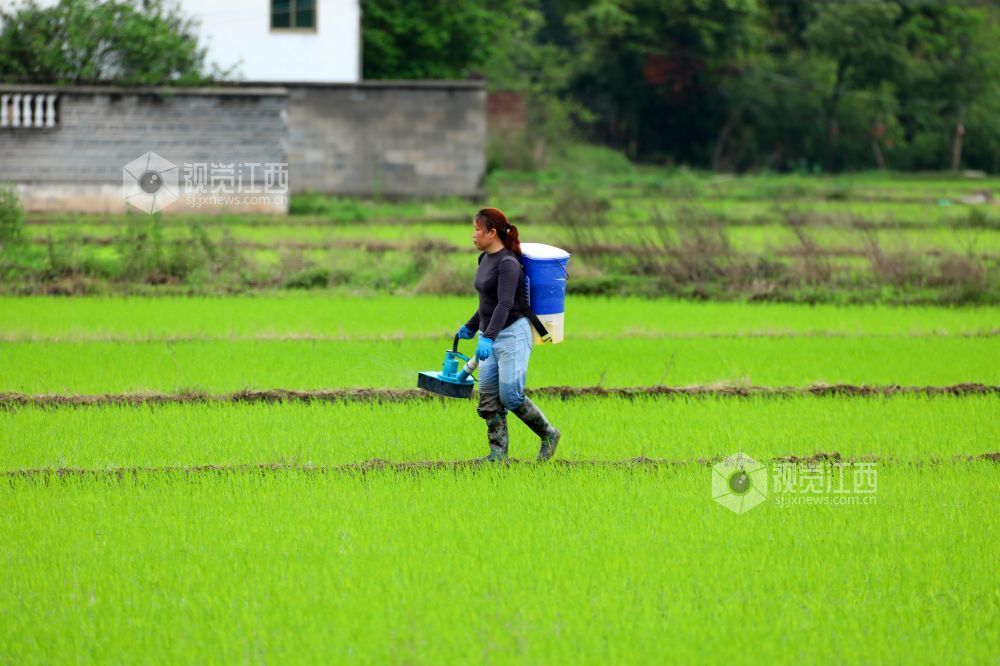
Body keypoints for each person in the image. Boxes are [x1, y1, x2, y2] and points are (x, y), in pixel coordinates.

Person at [457, 207, 562, 463]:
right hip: (490, 334)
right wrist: (472, 326)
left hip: (513, 335)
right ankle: (498, 454)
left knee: (510, 395)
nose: (473, 234)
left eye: (476, 229)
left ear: (492, 233)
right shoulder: (485, 260)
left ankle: (549, 433)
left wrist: (488, 337)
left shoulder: (508, 264)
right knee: (489, 396)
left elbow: (505, 304)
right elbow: (487, 301)